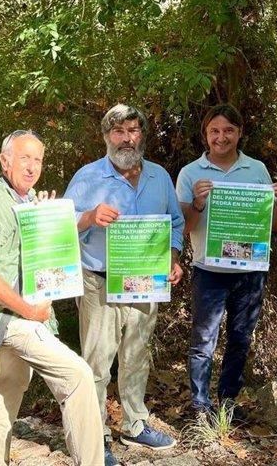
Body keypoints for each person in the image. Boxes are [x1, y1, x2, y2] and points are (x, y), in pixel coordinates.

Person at [0, 130, 103, 466]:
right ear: (5, 161)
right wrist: (30, 311)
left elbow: (35, 254)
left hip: (12, 317)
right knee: (78, 377)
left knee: (5, 390)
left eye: (38, 160)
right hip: (11, 319)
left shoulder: (24, 200)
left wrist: (43, 216)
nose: (32, 167)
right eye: (24, 158)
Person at [64, 105, 185, 465]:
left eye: (133, 130)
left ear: (142, 135)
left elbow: (176, 222)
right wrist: (88, 217)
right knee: (97, 365)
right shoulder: (87, 177)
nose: (126, 138)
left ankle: (134, 424)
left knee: (136, 358)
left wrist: (173, 257)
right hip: (99, 284)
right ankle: (95, 436)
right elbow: (58, 224)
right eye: (118, 131)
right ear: (106, 137)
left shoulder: (159, 176)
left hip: (146, 284)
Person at [176, 104, 277, 418]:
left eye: (228, 130)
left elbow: (274, 225)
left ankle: (227, 402)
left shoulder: (257, 169)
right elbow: (182, 227)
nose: (221, 137)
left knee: (240, 339)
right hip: (208, 270)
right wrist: (198, 203)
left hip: (250, 271)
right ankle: (200, 406)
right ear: (205, 134)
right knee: (203, 340)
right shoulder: (190, 172)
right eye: (214, 130)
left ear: (239, 133)